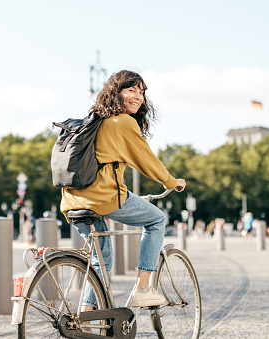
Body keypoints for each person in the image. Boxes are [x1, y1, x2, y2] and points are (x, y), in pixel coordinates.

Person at [60, 70, 186, 311]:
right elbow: (146, 161)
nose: (137, 96)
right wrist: (171, 182)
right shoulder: (123, 122)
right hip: (103, 197)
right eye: (131, 90)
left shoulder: (96, 120)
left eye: (141, 92)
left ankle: (84, 319)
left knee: (102, 260)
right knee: (157, 220)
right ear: (116, 92)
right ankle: (143, 290)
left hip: (73, 200)